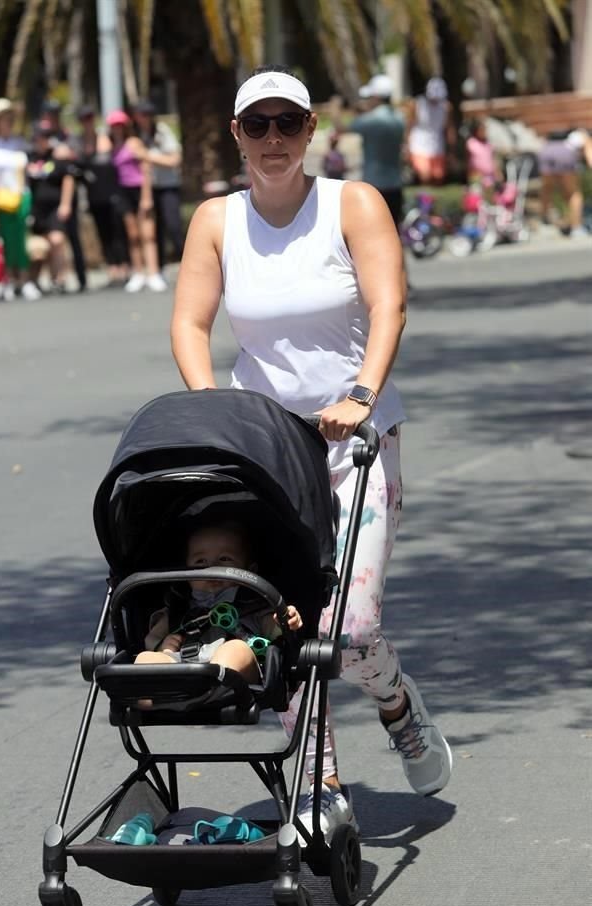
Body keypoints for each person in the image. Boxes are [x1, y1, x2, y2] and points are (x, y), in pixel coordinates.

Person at [170, 66, 453, 841]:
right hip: (267, 450)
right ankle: (319, 785)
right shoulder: (217, 221)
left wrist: (361, 392)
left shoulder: (350, 204)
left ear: (309, 131)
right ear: (236, 134)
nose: (271, 139)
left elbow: (389, 299)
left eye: (286, 123)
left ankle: (396, 703)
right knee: (291, 623)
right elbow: (192, 324)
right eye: (255, 124)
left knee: (351, 628)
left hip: (357, 444)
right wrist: (215, 408)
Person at [135, 517, 303, 685]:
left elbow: (276, 634)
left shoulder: (254, 605)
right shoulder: (178, 608)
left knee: (235, 649)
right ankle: (150, 695)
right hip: (179, 669)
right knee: (145, 658)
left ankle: (210, 686)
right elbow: (151, 639)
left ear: (249, 570)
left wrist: (285, 620)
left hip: (234, 673)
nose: (212, 567)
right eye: (200, 561)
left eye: (224, 559)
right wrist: (162, 645)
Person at [0, 98, 41, 301]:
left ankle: (24, 280)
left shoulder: (18, 143)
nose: (7, 122)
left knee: (21, 241)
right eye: (3, 119)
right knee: (4, 242)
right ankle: (7, 280)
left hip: (21, 198)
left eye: (9, 118)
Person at [107, 109, 167, 292]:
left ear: (125, 126)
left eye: (120, 125)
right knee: (132, 236)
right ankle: (138, 273)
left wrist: (146, 197)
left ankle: (154, 273)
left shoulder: (133, 143)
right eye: (114, 126)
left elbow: (146, 168)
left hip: (139, 189)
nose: (117, 129)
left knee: (148, 235)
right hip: (124, 192)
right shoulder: (113, 146)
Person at [71, 105, 129, 285]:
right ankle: (112, 267)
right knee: (103, 232)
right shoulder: (79, 142)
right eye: (83, 119)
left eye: (89, 118)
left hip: (113, 192)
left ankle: (124, 267)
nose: (87, 122)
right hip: (94, 195)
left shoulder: (106, 137)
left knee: (117, 231)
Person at [341, 74, 405, 231]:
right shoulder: (399, 118)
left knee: (374, 234)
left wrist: (334, 107)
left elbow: (341, 127)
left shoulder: (372, 120)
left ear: (376, 97)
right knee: (394, 234)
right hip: (395, 184)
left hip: (374, 186)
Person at [132, 100, 185, 265]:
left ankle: (185, 259)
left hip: (168, 186)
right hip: (145, 188)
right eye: (142, 115)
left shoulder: (162, 132)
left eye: (148, 115)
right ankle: (159, 266)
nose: (145, 118)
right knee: (154, 229)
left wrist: (148, 156)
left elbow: (175, 159)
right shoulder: (135, 135)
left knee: (173, 225)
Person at [26, 123, 77, 293]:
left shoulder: (57, 157)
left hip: (55, 207)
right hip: (37, 209)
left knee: (57, 240)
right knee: (42, 245)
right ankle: (41, 279)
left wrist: (65, 204)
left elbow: (68, 179)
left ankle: (59, 278)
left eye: (44, 137)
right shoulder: (30, 158)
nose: (41, 141)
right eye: (38, 137)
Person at [538, 128, 592, 239]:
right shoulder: (585, 135)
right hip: (565, 154)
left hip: (545, 150)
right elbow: (589, 156)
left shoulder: (564, 135)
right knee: (575, 194)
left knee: (547, 189)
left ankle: (544, 221)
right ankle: (577, 228)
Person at [407, 77, 456, 185]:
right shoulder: (417, 104)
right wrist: (406, 145)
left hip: (437, 144)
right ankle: (424, 200)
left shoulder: (446, 107)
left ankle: (432, 200)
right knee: (425, 174)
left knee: (438, 177)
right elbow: (409, 125)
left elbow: (449, 128)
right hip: (418, 143)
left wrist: (451, 150)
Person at [465, 118, 501, 193]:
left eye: (484, 130)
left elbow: (493, 159)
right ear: (475, 131)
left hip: (490, 178)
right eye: (481, 130)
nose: (483, 132)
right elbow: (467, 162)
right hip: (477, 178)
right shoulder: (471, 143)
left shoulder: (488, 144)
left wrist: (498, 173)